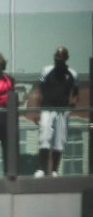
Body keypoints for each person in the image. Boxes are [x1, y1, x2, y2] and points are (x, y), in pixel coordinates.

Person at [32, 46, 79, 178]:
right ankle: (41, 169)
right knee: (45, 138)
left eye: (61, 58)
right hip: (47, 109)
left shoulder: (72, 74)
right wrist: (36, 110)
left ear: (66, 59)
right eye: (56, 58)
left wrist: (73, 102)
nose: (58, 61)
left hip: (62, 111)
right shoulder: (46, 71)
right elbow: (38, 89)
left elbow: (76, 93)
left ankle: (54, 170)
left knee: (59, 141)